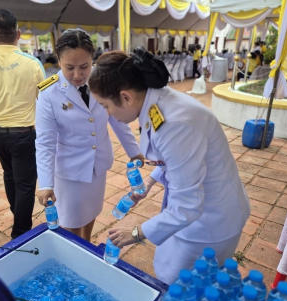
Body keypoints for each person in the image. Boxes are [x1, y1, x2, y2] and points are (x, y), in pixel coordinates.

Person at [88, 48, 250, 284]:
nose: (107, 113)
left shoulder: (174, 123)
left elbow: (188, 207)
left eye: (105, 106)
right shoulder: (155, 101)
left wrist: (135, 233)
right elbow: (174, 159)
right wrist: (150, 181)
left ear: (126, 97)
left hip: (210, 222)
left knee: (183, 287)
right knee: (172, 273)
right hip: (199, 211)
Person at [35, 29, 143, 242]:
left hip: (98, 163)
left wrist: (134, 151)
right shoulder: (49, 93)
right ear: (58, 60)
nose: (77, 75)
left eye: (84, 66)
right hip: (70, 170)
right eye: (69, 67)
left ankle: (87, 242)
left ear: (92, 60)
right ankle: (80, 252)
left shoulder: (102, 80)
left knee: (92, 212)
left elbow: (117, 119)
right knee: (72, 221)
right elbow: (45, 142)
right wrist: (45, 184)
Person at [0, 9, 45, 239]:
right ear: (18, 34)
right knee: (25, 183)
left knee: (10, 174)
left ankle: (18, 213)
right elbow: (46, 102)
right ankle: (21, 233)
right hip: (23, 133)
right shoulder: (32, 64)